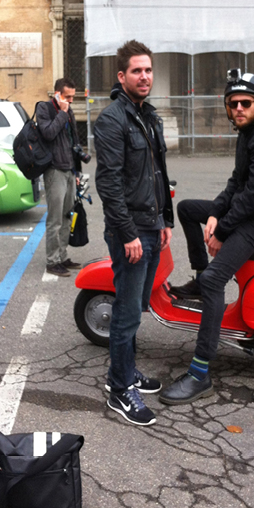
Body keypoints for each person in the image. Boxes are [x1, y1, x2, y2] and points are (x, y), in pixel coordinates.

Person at [160, 71, 254, 405]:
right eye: (233, 104)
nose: (238, 109)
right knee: (189, 209)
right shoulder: (249, 134)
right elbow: (236, 183)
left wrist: (221, 229)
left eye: (245, 103)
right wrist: (217, 213)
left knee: (216, 281)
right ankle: (200, 274)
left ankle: (200, 373)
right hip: (247, 213)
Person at [93, 40, 171, 426]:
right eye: (137, 71)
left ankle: (127, 370)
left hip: (152, 226)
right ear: (122, 76)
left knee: (138, 306)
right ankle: (120, 388)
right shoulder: (112, 119)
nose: (145, 76)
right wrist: (127, 234)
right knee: (126, 313)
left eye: (149, 70)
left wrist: (167, 220)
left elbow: (158, 172)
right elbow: (108, 184)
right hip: (131, 232)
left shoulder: (148, 116)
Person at [36, 78, 81, 276]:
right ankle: (52, 261)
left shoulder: (68, 110)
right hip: (54, 170)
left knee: (67, 216)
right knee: (54, 219)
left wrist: (77, 171)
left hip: (69, 169)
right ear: (57, 94)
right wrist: (62, 112)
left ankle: (62, 256)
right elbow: (48, 133)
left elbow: (75, 142)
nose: (70, 101)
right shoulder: (45, 109)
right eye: (67, 97)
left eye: (73, 97)